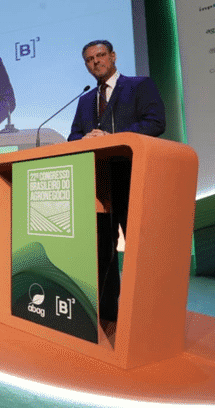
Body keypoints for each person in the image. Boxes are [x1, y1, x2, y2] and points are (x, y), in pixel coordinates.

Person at [68, 39, 166, 322]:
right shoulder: (86, 99)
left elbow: (156, 122)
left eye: (100, 56)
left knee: (139, 246)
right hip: (97, 181)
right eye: (89, 59)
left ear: (112, 56)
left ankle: (148, 314)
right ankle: (108, 313)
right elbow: (73, 135)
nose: (95, 62)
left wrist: (114, 138)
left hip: (132, 176)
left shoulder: (139, 85)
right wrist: (84, 139)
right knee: (101, 249)